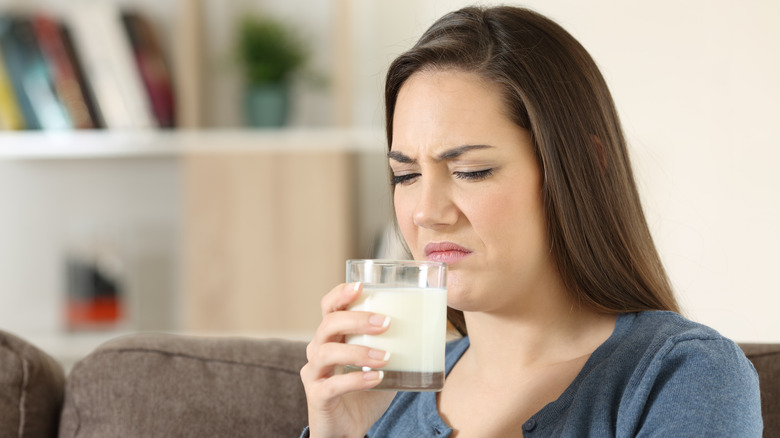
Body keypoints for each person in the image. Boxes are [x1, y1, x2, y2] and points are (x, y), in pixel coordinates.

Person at [299, 5, 762, 437]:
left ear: (582, 164)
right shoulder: (376, 397)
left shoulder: (682, 374)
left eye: (470, 171)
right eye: (406, 175)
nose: (425, 212)